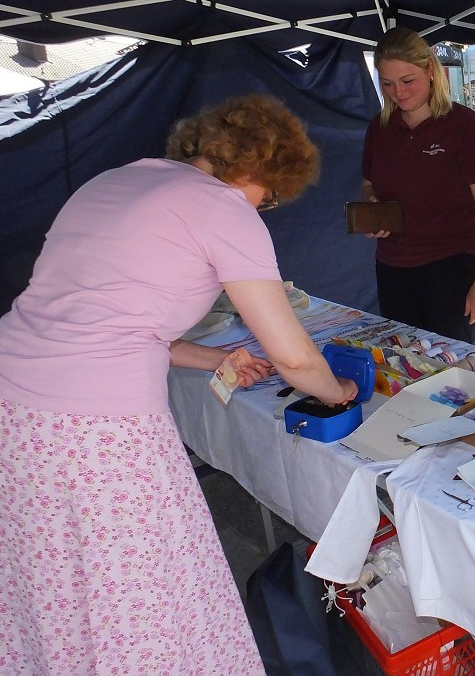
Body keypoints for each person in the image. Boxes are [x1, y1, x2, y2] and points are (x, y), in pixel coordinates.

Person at [0, 95, 359, 674]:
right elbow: (293, 356)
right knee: (140, 591)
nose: (261, 210)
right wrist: (337, 389)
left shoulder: (112, 182)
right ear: (258, 171)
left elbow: (105, 321)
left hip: (14, 405)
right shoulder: (223, 209)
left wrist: (212, 357)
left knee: (55, 579)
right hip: (97, 431)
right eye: (266, 200)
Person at [362, 27, 475, 344]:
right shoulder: (379, 128)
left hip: (450, 269)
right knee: (404, 364)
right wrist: (372, 208)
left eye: (407, 81)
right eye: (387, 83)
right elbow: (368, 184)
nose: (398, 92)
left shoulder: (464, 127)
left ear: (430, 71)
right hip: (392, 267)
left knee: (452, 370)